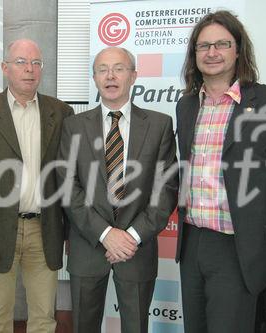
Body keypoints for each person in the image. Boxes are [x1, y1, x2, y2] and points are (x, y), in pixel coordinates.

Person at [175, 10, 266, 333]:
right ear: (194, 55)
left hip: (238, 244)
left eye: (222, 44)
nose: (212, 52)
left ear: (238, 50)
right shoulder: (187, 105)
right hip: (192, 242)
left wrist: (262, 223)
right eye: (203, 46)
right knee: (196, 327)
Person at [57, 46, 179, 333]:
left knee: (136, 327)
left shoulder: (160, 125)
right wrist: (105, 234)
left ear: (133, 75)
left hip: (137, 249)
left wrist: (131, 237)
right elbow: (67, 186)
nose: (110, 76)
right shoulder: (73, 126)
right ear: (95, 77)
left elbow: (166, 188)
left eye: (119, 68)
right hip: (88, 247)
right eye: (102, 69)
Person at [0, 39, 74, 333]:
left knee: (44, 317)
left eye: (36, 63)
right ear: (5, 68)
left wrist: (70, 231)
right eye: (21, 62)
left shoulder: (61, 112)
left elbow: (69, 176)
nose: (29, 70)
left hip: (45, 229)